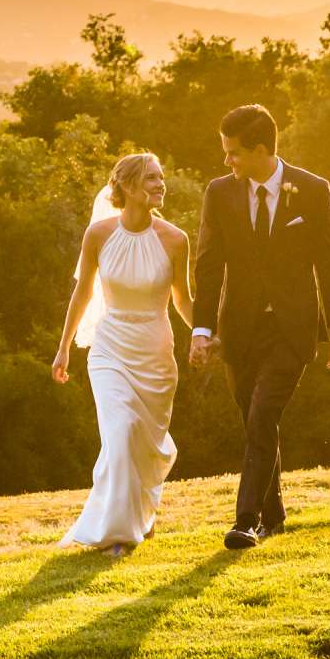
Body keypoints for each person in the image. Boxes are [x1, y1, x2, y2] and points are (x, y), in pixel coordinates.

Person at [187, 103, 330, 550]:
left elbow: (329, 262)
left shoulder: (313, 190)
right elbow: (208, 267)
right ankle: (276, 514)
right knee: (256, 422)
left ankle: (246, 520)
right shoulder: (219, 193)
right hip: (238, 330)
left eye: (234, 152)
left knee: (262, 415)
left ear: (261, 149)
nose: (227, 162)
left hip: (292, 329)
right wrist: (202, 330)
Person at [49, 152, 194, 554]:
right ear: (127, 187)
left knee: (145, 444)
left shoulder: (175, 239)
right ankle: (118, 534)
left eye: (161, 177)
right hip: (109, 349)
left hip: (155, 351)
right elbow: (83, 293)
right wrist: (64, 348)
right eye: (151, 178)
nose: (160, 185)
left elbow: (182, 298)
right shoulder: (98, 236)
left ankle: (142, 513)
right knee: (122, 430)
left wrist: (204, 333)